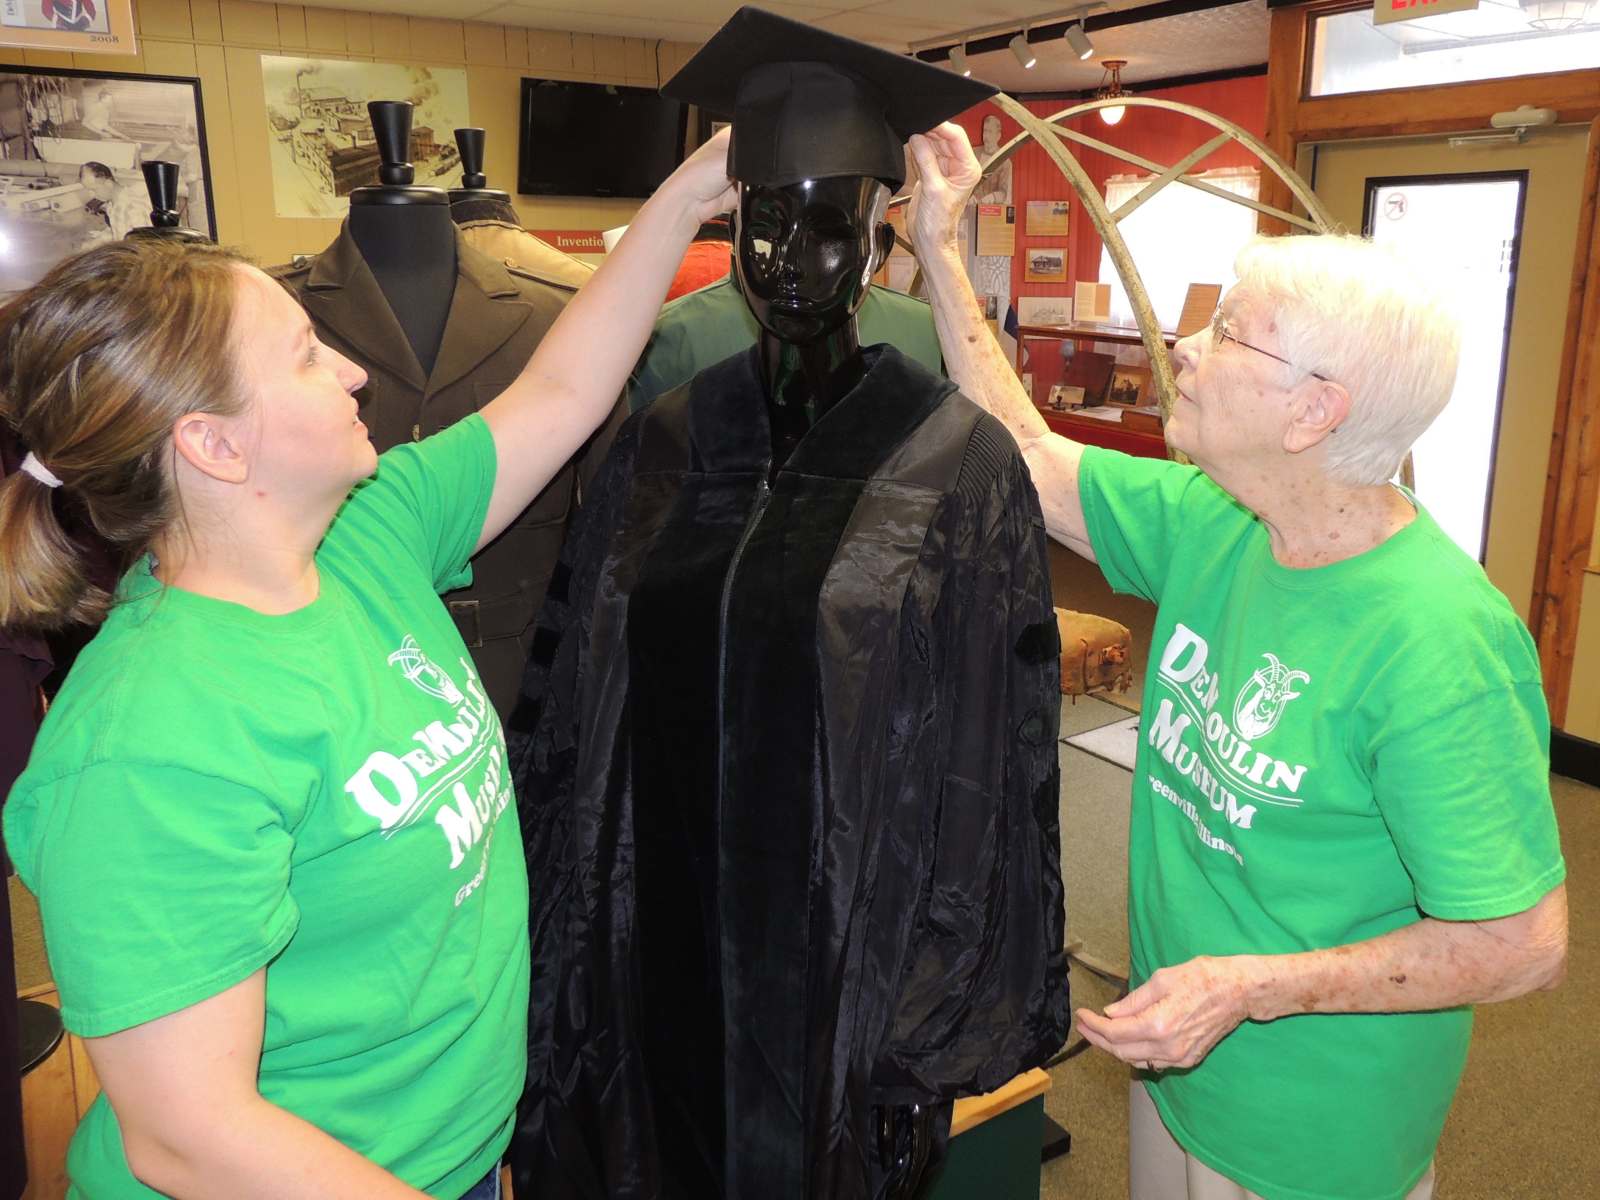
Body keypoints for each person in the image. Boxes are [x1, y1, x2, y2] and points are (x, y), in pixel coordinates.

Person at [0, 129, 734, 1200]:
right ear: (214, 444)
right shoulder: (147, 744)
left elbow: (561, 394)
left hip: (446, 1157)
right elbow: (190, 1137)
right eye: (304, 353)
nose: (350, 368)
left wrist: (681, 198)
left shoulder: (367, 533)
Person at [905, 122, 1568, 1200]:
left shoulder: (1439, 641)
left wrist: (1252, 988)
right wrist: (938, 242)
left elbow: (1519, 942)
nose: (1187, 351)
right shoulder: (1221, 520)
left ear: (1313, 413)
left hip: (1315, 1118)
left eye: (1226, 335)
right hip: (1181, 1059)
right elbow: (1022, 455)